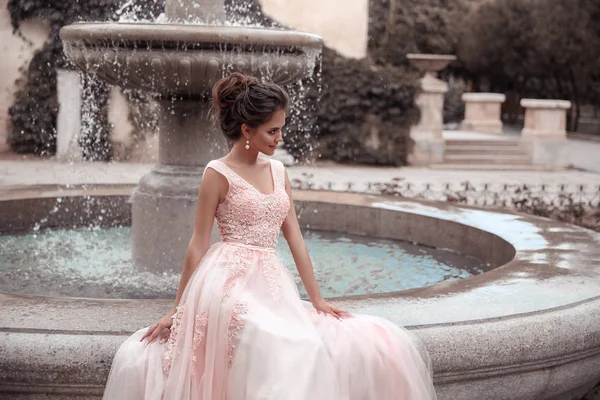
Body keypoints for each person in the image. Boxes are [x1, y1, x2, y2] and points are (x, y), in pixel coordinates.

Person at [102, 72, 437, 400]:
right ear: (247, 130)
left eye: (281, 129)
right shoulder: (216, 174)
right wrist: (177, 311)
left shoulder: (279, 171)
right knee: (273, 339)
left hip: (271, 280)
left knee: (313, 341)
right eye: (272, 131)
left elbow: (295, 238)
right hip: (226, 282)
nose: (280, 139)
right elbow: (197, 245)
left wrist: (317, 300)